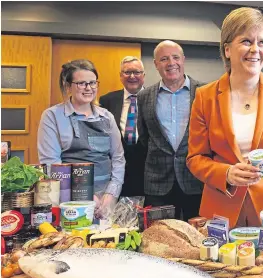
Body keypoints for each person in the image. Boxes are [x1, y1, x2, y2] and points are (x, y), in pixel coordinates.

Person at [186, 7, 263, 228]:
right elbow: (195, 158)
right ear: (227, 50)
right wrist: (226, 173)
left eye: (262, 42)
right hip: (222, 208)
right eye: (246, 41)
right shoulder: (204, 96)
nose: (255, 49)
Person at [38, 59, 125, 215]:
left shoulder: (107, 117)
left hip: (106, 201)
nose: (88, 88)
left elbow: (118, 159)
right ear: (68, 86)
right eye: (82, 83)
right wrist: (86, 197)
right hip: (70, 201)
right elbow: (51, 164)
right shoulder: (53, 116)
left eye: (93, 83)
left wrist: (111, 194)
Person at [137, 40, 204, 222]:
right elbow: (144, 136)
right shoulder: (144, 96)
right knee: (159, 238)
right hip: (157, 181)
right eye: (164, 59)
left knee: (198, 238)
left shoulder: (205, 92)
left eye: (175, 57)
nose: (171, 63)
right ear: (156, 64)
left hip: (195, 179)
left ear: (183, 59)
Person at [99, 56, 145, 197]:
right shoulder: (107, 100)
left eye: (137, 72)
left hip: (147, 172)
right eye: (127, 72)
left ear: (143, 75)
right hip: (117, 171)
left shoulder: (155, 98)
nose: (132, 76)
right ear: (120, 76)